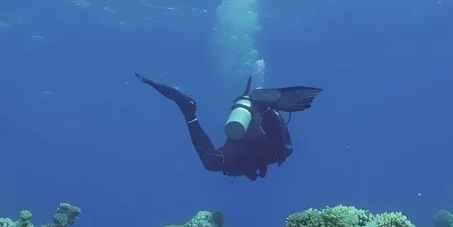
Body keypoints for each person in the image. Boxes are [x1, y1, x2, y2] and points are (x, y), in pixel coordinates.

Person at [137, 74, 322, 181]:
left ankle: (189, 110)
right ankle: (190, 109)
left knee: (213, 162)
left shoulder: (246, 157)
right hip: (266, 142)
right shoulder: (258, 154)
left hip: (262, 143)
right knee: (212, 162)